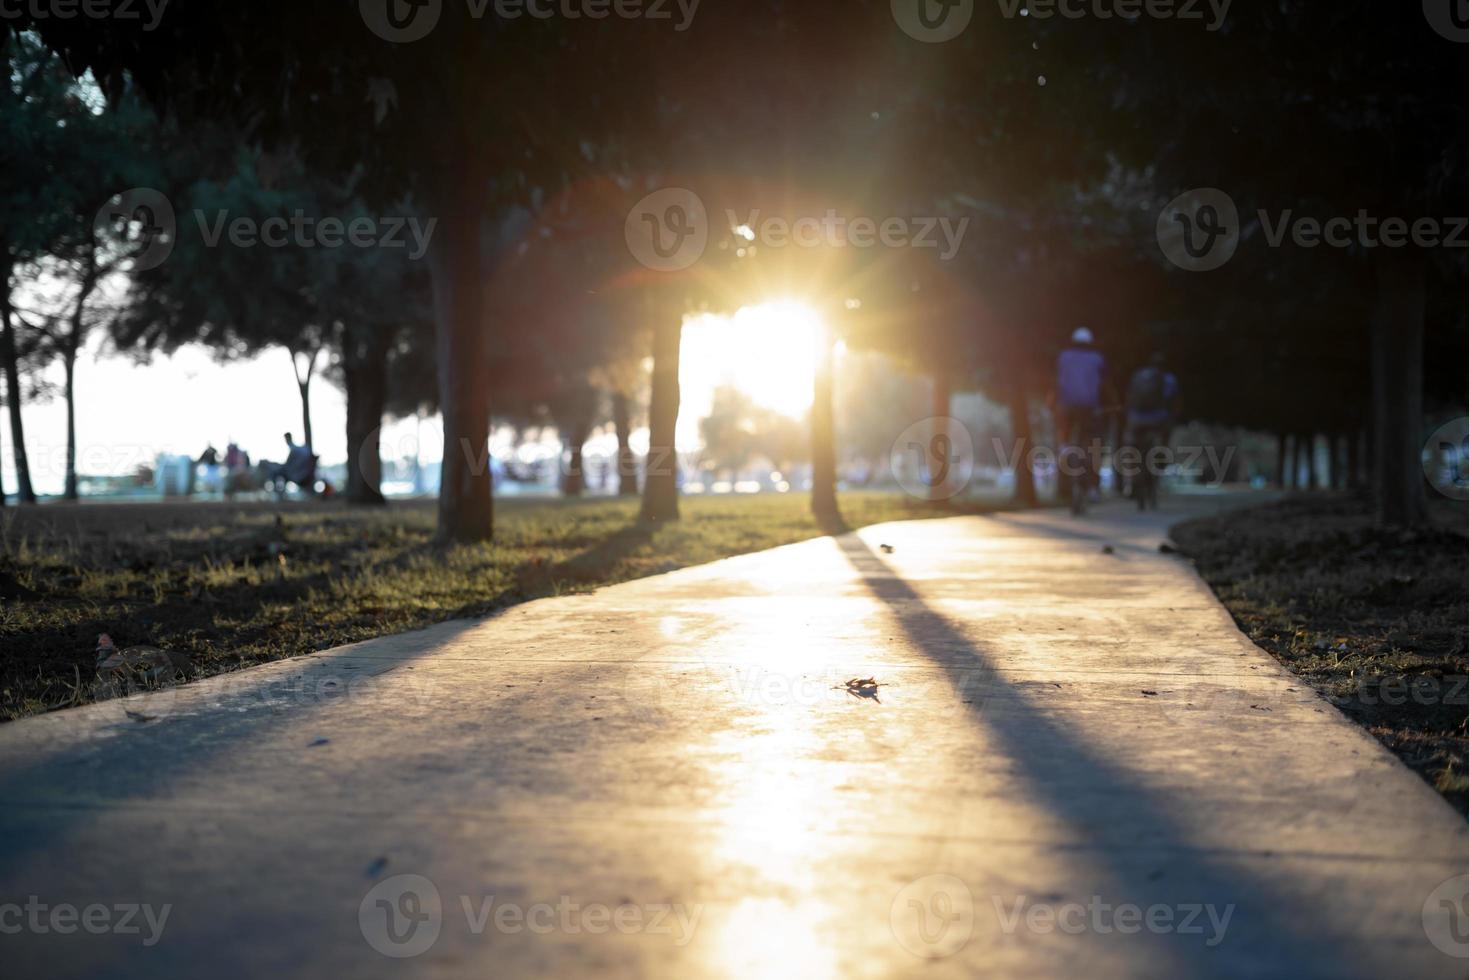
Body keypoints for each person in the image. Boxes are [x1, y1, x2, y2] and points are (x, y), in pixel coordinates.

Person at [1053, 327, 1109, 514]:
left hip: (1067, 407)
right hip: (1089, 407)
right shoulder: (1097, 358)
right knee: (1093, 443)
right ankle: (1093, 486)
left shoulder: (1063, 357)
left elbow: (1057, 381)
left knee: (1067, 433)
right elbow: (1104, 384)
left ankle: (1064, 446)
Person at [1126, 352, 1180, 511]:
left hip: (1136, 419)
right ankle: (1160, 462)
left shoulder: (1139, 376)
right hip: (1159, 419)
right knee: (1163, 442)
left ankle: (1132, 480)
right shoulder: (1169, 379)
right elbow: (1174, 401)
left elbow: (1129, 397)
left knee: (1133, 448)